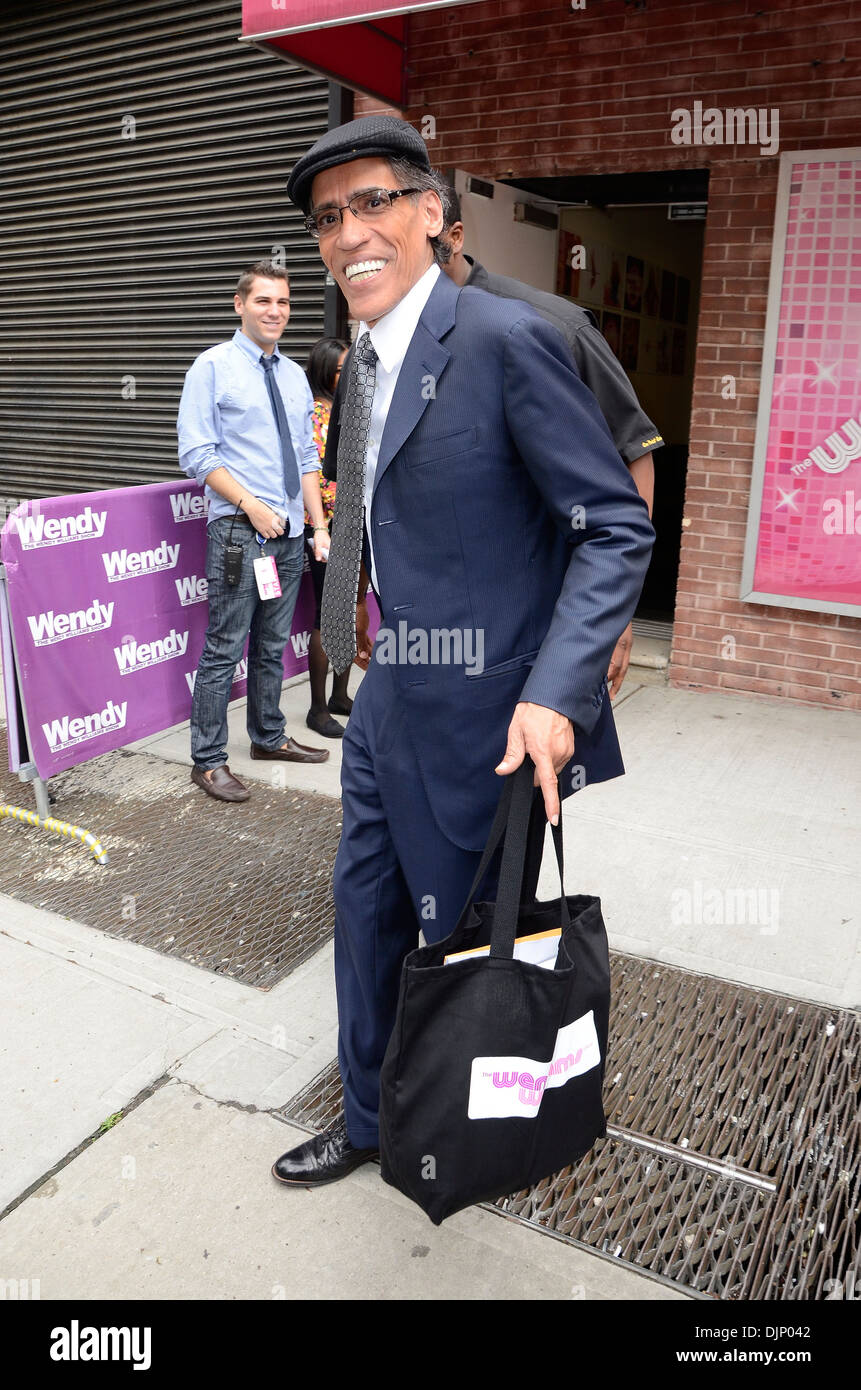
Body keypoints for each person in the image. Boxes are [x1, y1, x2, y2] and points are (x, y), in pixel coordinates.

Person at [271, 116, 655, 1187]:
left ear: (431, 213)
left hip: (493, 727)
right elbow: (365, 517)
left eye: (374, 202)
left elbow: (615, 524)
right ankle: (365, 1118)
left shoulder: (504, 340)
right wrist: (342, 626)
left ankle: (461, 1130)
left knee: (460, 946)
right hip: (391, 700)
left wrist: (556, 691)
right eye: (329, 217)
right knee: (365, 922)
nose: (350, 231)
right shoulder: (355, 366)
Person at [438, 182, 663, 697]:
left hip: (541, 614)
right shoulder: (388, 343)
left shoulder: (556, 327)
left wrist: (616, 608)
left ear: (451, 235)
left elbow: (635, 456)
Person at [177, 259, 330, 804]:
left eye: (284, 302)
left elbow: (307, 455)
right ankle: (208, 759)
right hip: (241, 533)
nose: (275, 311)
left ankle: (267, 737)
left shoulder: (292, 375)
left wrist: (318, 525)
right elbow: (196, 453)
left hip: (290, 536)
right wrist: (252, 506)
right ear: (240, 305)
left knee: (270, 645)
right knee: (224, 647)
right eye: (264, 300)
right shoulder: (212, 367)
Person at [303, 337, 352, 738]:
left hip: (353, 523)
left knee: (347, 611)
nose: (349, 376)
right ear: (324, 374)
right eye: (341, 370)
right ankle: (317, 709)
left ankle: (340, 695)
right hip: (325, 525)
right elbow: (317, 477)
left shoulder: (348, 411)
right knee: (327, 614)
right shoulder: (314, 415)